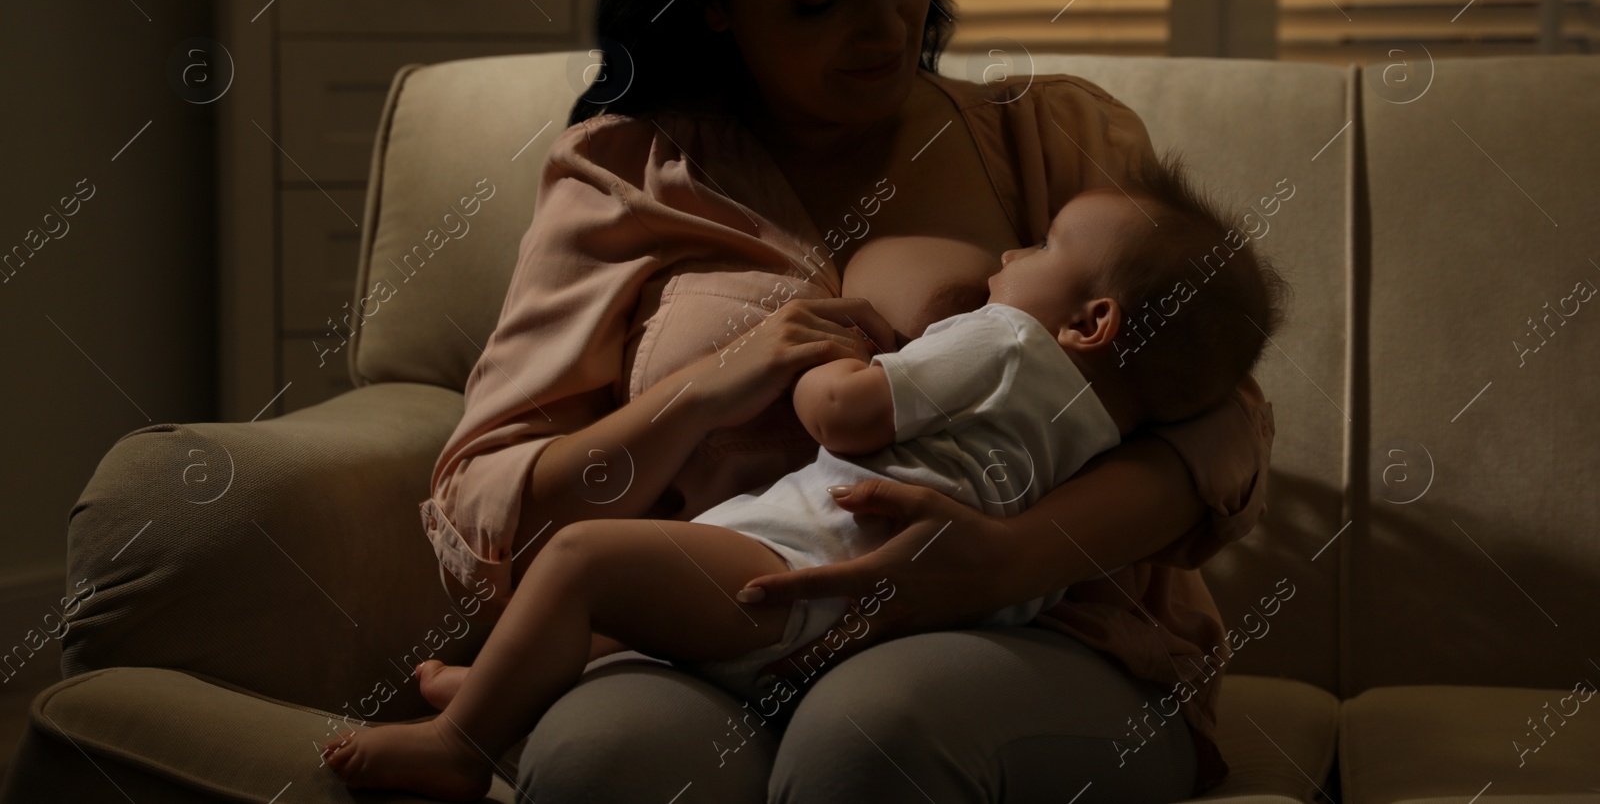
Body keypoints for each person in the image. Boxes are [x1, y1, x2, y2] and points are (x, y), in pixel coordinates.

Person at [408, 0, 1278, 802]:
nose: (885, 28)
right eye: (819, 2)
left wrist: (1004, 558)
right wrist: (700, 395)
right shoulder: (626, 178)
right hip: (715, 622)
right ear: (716, 0)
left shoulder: (1054, 142)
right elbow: (488, 497)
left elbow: (1219, 426)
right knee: (611, 761)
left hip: (1049, 628)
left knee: (867, 735)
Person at [322, 160, 1287, 801]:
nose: (1009, 254)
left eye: (1036, 249)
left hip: (805, 566)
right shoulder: (1095, 407)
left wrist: (815, 368)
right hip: (901, 595)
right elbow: (498, 480)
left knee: (585, 562)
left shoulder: (1010, 333)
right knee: (611, 745)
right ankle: (504, 684)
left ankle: (461, 746)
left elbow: (845, 414)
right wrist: (702, 390)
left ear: (1093, 320)